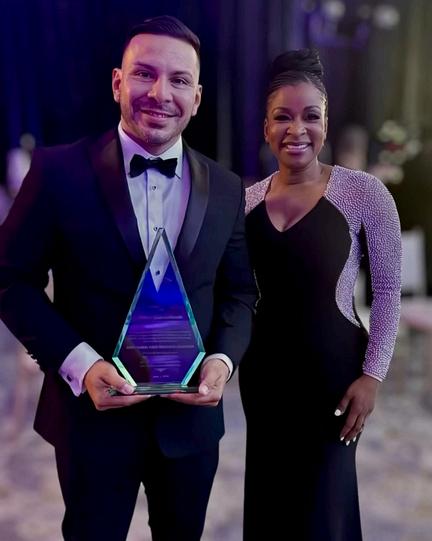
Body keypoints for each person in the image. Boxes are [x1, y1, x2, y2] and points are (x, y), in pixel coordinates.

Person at [0, 15, 257, 541]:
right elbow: (10, 280)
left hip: (189, 430)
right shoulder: (56, 172)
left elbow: (239, 293)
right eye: (145, 74)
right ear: (118, 82)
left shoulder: (228, 188)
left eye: (179, 80)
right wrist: (81, 364)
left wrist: (223, 360)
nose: (160, 93)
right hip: (90, 426)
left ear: (197, 97)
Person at [239, 49, 401, 541]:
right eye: (282, 117)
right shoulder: (245, 202)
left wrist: (372, 376)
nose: (297, 129)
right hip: (264, 381)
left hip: (335, 382)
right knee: (270, 508)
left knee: (325, 513)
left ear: (325, 124)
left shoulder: (365, 193)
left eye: (311, 116)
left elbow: (388, 293)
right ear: (266, 127)